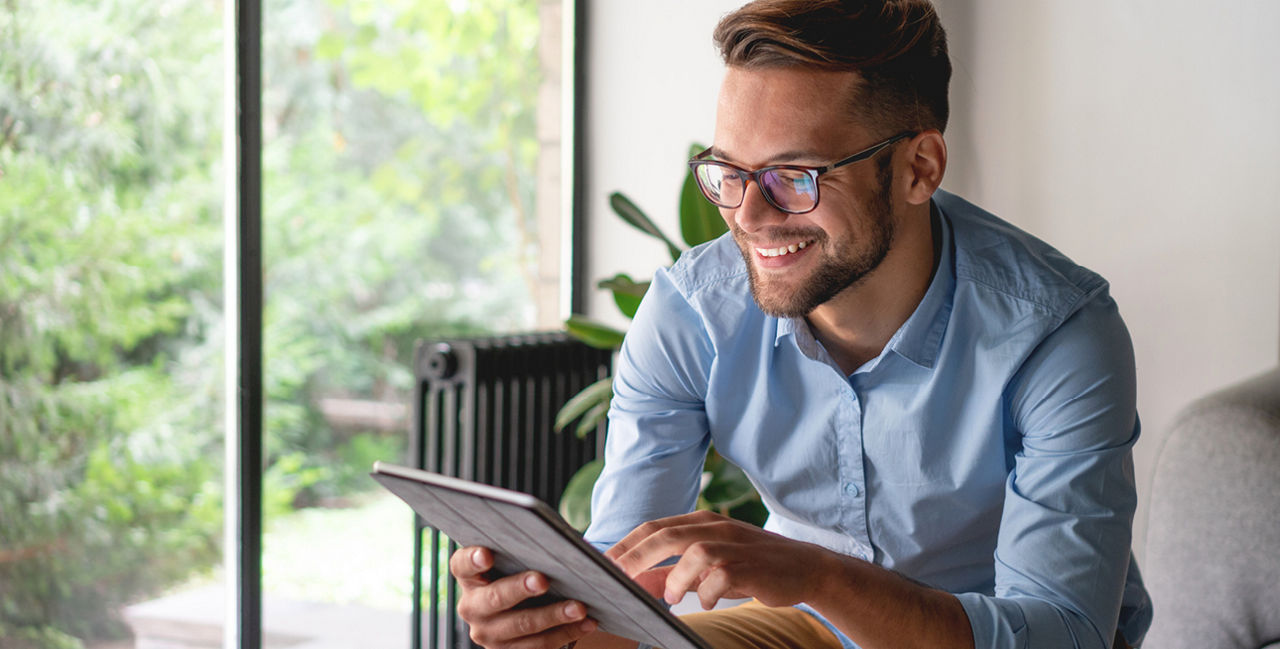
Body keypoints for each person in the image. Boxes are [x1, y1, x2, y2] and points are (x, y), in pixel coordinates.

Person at [450, 1, 1153, 648]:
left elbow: (1062, 633)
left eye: (796, 176)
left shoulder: (1057, 333)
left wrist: (821, 575)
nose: (749, 219)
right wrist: (554, 613)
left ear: (919, 167)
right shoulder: (692, 308)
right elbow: (625, 578)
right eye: (730, 170)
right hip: (791, 625)